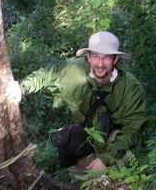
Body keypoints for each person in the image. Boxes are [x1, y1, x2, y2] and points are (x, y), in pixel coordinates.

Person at [11, 31, 146, 173]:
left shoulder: (130, 87)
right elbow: (46, 74)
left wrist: (106, 159)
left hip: (113, 143)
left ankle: (113, 178)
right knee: (80, 172)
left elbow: (133, 130)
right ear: (88, 57)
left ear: (116, 59)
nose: (100, 64)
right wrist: (22, 88)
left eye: (106, 57)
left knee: (120, 161)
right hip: (83, 138)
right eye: (95, 56)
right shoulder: (73, 70)